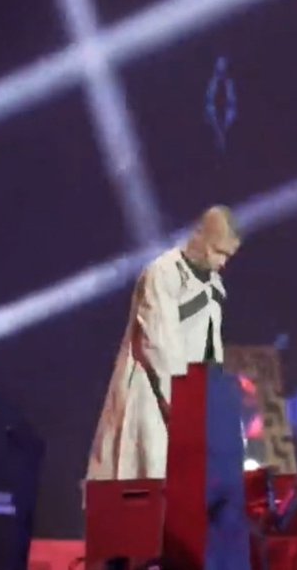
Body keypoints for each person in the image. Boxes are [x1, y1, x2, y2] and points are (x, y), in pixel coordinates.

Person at [86, 206, 242, 480]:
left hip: (193, 404)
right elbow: (160, 347)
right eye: (218, 251)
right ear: (200, 236)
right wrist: (187, 411)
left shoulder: (214, 285)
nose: (223, 262)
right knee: (150, 482)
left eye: (228, 255)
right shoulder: (163, 273)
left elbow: (211, 350)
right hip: (155, 398)